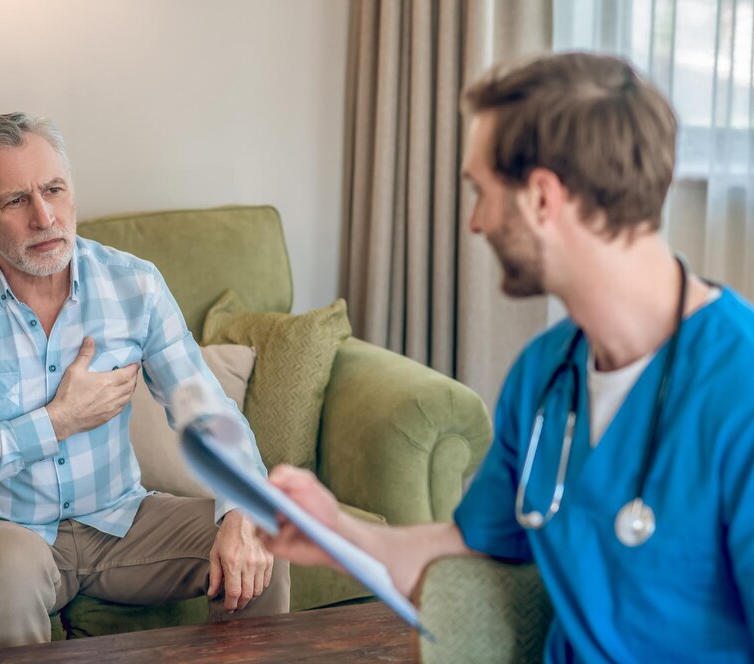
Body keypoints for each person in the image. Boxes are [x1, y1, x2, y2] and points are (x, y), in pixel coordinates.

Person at [259, 52, 754, 661]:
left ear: (543, 198)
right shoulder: (546, 375)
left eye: (482, 190)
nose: (474, 221)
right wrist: (336, 531)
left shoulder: (739, 389)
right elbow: (472, 552)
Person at [0, 112, 288, 652]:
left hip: (119, 518)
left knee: (263, 531)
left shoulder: (133, 284)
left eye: (54, 189)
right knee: (14, 567)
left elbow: (204, 408)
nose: (45, 216)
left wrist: (242, 505)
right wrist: (57, 422)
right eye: (15, 201)